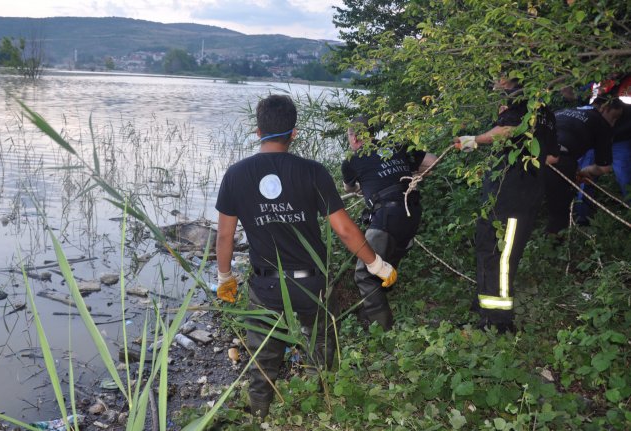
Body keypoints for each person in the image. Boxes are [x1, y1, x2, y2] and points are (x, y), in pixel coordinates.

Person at [214, 94, 397, 418]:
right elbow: (344, 230)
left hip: (265, 286)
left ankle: (259, 411)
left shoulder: (236, 174)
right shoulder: (312, 172)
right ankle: (320, 402)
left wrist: (225, 278)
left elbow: (225, 235)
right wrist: (377, 264)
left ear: (258, 131)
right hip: (312, 284)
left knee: (263, 353)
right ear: (294, 133)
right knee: (321, 345)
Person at [453, 77, 558, 332]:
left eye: (497, 78)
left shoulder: (519, 103)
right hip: (513, 196)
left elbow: (507, 131)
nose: (493, 83)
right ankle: (486, 312)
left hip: (510, 197)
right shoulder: (546, 113)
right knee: (490, 250)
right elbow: (553, 157)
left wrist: (471, 140)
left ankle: (499, 323)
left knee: (500, 256)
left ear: (507, 80)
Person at [341, 116, 437, 329]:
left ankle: (381, 329)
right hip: (411, 211)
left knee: (366, 271)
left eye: (348, 136)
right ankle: (371, 312)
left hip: (387, 215)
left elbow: (349, 188)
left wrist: (362, 187)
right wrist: (411, 174)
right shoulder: (396, 145)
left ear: (355, 138)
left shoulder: (351, 159)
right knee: (386, 263)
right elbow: (433, 162)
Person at [544, 96, 625, 234]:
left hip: (531, 155)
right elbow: (603, 167)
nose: (613, 123)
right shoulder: (602, 124)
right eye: (613, 117)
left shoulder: (564, 110)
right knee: (559, 214)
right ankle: (552, 246)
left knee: (526, 207)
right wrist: (585, 171)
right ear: (603, 108)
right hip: (560, 160)